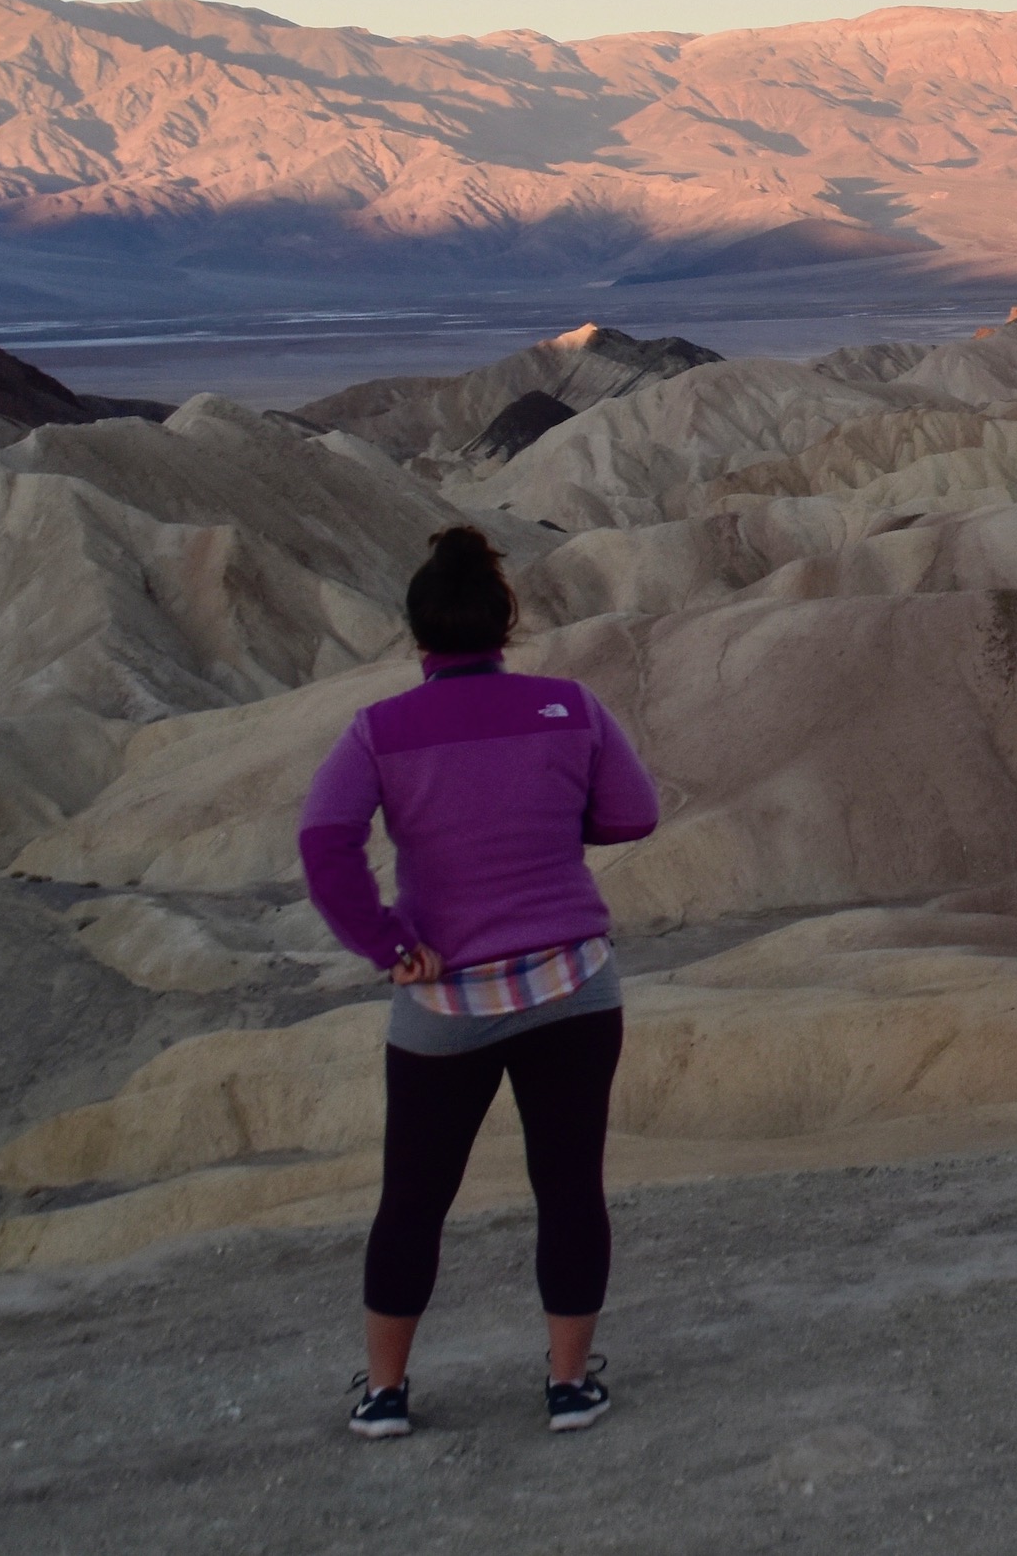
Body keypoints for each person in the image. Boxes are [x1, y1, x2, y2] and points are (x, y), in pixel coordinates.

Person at [297, 527, 658, 1439]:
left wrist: (387, 942)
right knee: (570, 1189)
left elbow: (324, 841)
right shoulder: (569, 707)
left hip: (445, 1001)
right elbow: (635, 813)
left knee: (413, 1200)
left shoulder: (380, 729)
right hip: (572, 988)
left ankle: (385, 1394)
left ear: (418, 635)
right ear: (505, 627)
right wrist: (550, 821)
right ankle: (568, 1386)